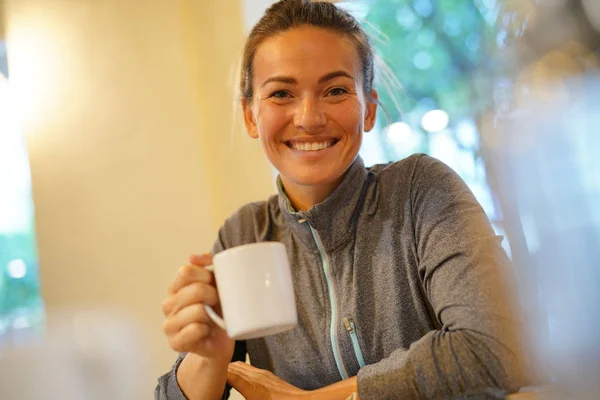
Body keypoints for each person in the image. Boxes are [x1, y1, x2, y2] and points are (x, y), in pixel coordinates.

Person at [155, 1, 527, 399]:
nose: (309, 117)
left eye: (335, 90)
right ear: (250, 116)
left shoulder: (421, 190)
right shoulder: (243, 234)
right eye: (281, 93)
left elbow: (499, 349)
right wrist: (209, 356)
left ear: (369, 109)